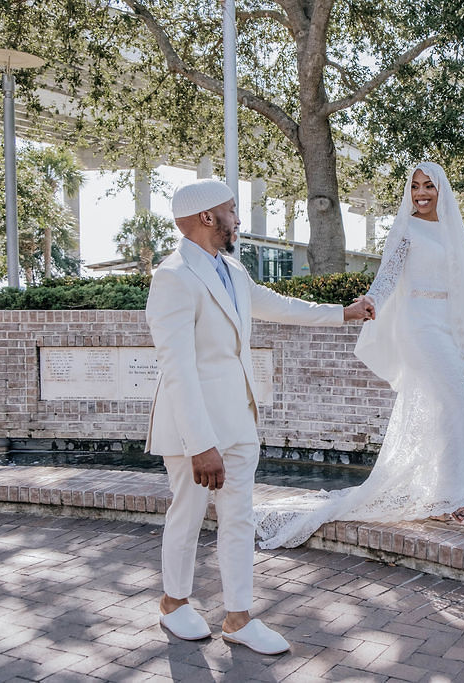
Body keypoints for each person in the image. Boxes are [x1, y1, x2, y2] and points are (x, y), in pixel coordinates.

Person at [145, 179, 374, 656]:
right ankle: (173, 603)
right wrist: (200, 443)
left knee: (238, 519)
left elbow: (276, 305)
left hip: (241, 419)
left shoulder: (231, 268)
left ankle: (238, 618)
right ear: (208, 217)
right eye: (231, 209)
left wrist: (343, 313)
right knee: (186, 515)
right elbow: (178, 370)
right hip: (196, 430)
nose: (238, 218)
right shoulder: (173, 277)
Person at [253, 161, 464, 549]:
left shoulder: (451, 231)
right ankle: (453, 501)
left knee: (443, 410)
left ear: (441, 189)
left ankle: (441, 497)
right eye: (415, 186)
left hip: (445, 326)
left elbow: (462, 286)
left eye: (429, 186)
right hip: (419, 327)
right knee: (454, 407)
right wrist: (369, 300)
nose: (421, 193)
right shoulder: (407, 228)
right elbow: (389, 275)